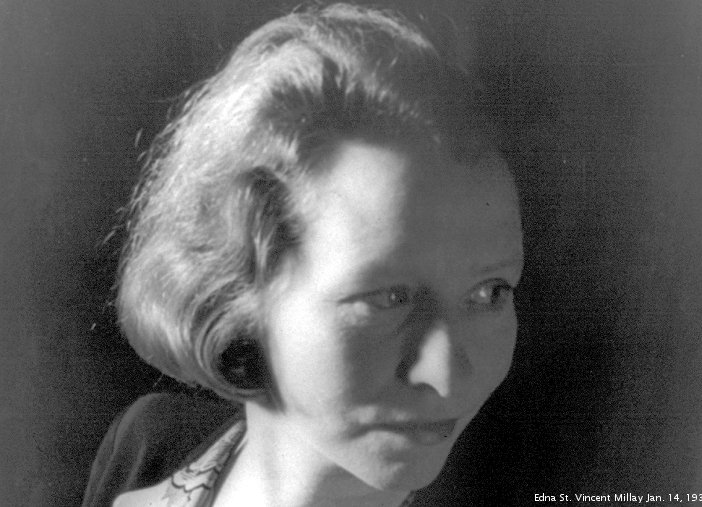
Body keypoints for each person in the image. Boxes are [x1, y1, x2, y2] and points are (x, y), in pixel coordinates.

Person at [82, 3, 524, 506]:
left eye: (490, 293)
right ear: (238, 290)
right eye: (388, 297)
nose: (445, 376)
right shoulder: (145, 449)